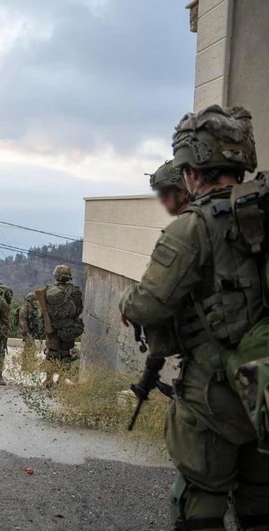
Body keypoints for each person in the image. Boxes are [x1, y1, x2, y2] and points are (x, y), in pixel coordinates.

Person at [120, 105, 269, 530]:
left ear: (192, 168)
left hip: (215, 394)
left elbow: (147, 303)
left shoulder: (195, 226)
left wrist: (126, 302)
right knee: (261, 501)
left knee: (200, 500)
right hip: (264, 390)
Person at [44, 265, 83, 362]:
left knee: (52, 354)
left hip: (53, 327)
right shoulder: (76, 291)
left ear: (56, 275)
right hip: (69, 328)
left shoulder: (49, 290)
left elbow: (44, 309)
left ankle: (49, 377)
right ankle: (63, 376)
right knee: (66, 353)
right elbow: (79, 310)